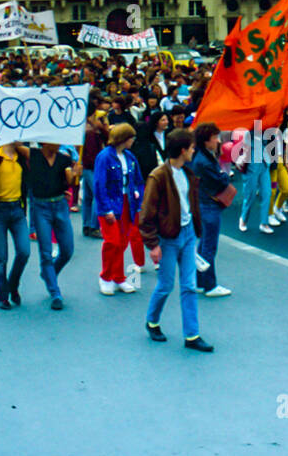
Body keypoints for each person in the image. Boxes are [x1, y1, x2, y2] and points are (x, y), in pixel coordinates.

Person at [137, 129, 213, 352]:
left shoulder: (187, 173)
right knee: (166, 285)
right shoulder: (158, 176)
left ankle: (192, 335)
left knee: (189, 285)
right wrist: (152, 244)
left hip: (187, 233)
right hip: (168, 237)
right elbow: (146, 214)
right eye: (190, 147)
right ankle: (152, 321)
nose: (193, 150)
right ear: (182, 150)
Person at [94, 123, 149, 294]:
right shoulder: (104, 157)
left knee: (123, 241)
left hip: (128, 202)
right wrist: (106, 208)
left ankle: (118, 277)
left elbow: (139, 180)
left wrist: (138, 196)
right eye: (131, 138)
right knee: (112, 241)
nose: (133, 141)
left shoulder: (130, 156)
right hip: (111, 203)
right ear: (123, 138)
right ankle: (105, 276)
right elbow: (99, 184)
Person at [0, 140, 32, 309]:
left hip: (17, 209)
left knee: (24, 251)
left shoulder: (21, 157)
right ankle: (2, 295)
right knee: (1, 257)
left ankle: (13, 284)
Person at [28, 142, 75, 311]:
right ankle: (55, 292)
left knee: (68, 250)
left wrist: (74, 173)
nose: (58, 143)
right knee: (46, 252)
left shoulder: (64, 158)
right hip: (41, 207)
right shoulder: (32, 154)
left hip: (60, 205)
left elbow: (69, 181)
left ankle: (49, 274)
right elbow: (16, 142)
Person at [188, 122, 233, 297]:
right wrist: (223, 175)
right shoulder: (205, 160)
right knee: (209, 246)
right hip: (209, 204)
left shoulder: (199, 155)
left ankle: (200, 280)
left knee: (203, 244)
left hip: (202, 202)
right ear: (207, 140)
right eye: (215, 137)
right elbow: (220, 181)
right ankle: (210, 285)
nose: (218, 140)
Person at [238, 128, 275, 234]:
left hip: (264, 162)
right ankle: (244, 218)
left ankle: (264, 223)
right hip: (252, 163)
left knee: (267, 193)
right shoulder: (249, 130)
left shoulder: (268, 127)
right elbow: (246, 146)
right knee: (251, 194)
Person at [80, 108, 108, 239]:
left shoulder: (93, 132)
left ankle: (86, 224)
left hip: (88, 167)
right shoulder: (91, 134)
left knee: (88, 197)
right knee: (97, 195)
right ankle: (94, 226)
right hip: (92, 167)